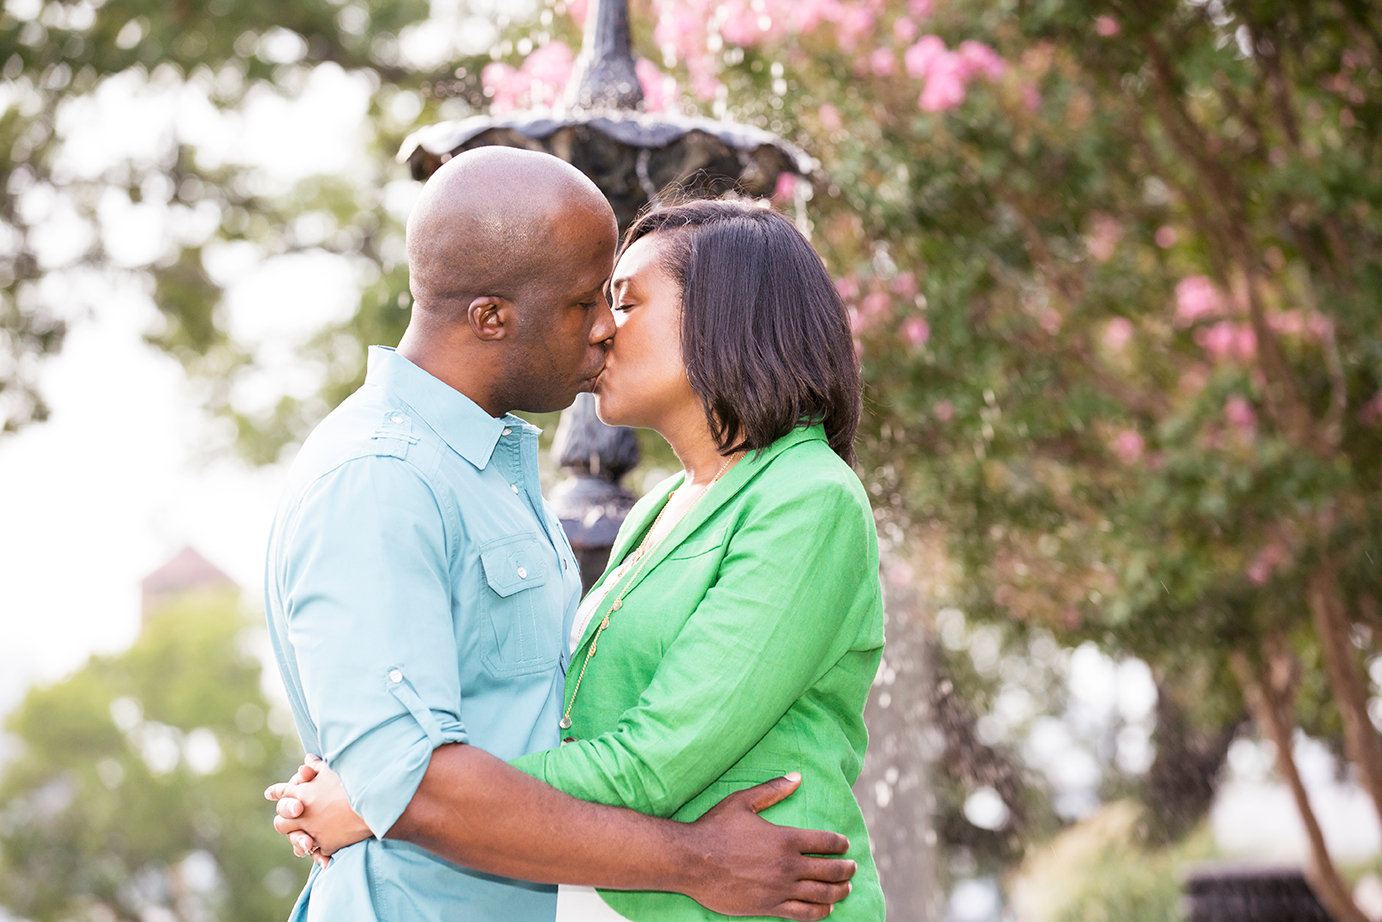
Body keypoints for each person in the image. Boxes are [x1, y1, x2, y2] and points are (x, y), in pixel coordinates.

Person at [261, 148, 859, 922]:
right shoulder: (381, 477)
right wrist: (397, 797)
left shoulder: (495, 473)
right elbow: (414, 781)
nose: (604, 329)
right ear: (491, 317)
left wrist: (376, 800)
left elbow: (598, 740)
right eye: (588, 302)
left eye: (621, 302)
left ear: (725, 323)